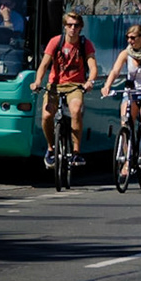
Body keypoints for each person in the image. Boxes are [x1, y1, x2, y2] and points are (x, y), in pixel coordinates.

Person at [36, 11, 97, 166]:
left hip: (75, 86)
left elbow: (92, 66)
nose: (72, 29)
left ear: (81, 27)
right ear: (64, 26)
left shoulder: (85, 44)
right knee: (46, 116)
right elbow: (44, 65)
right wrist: (37, 82)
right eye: (69, 25)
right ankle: (51, 148)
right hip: (55, 85)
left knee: (76, 111)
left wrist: (90, 81)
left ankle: (76, 152)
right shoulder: (56, 41)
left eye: (76, 26)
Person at [101, 24, 141, 159]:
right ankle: (126, 159)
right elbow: (115, 71)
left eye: (133, 38)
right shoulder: (126, 53)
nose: (130, 41)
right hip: (131, 91)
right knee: (125, 121)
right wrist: (107, 86)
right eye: (128, 37)